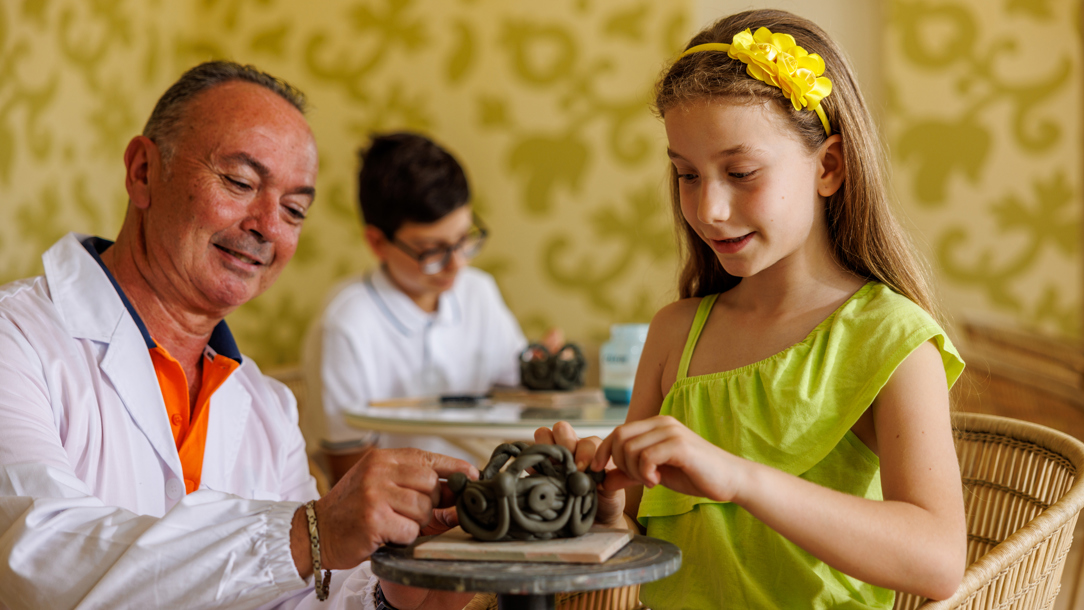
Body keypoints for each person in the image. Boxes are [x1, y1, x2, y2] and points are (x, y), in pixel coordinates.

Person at [0, 61, 476, 610]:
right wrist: (306, 534)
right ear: (143, 172)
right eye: (240, 182)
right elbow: (34, 560)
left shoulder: (267, 407)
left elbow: (302, 599)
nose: (268, 227)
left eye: (294, 210)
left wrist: (410, 589)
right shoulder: (18, 339)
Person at [536, 9, 967, 609]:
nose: (707, 208)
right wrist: (604, 512)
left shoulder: (890, 339)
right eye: (686, 175)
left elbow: (937, 560)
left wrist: (738, 477)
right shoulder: (674, 335)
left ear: (829, 167)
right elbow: (636, 543)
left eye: (740, 172)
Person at [311, 132, 535, 469]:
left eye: (463, 240)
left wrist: (542, 372)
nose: (456, 263)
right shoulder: (344, 326)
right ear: (377, 242)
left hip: (490, 492)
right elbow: (349, 472)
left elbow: (517, 402)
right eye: (432, 251)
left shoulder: (479, 292)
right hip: (400, 513)